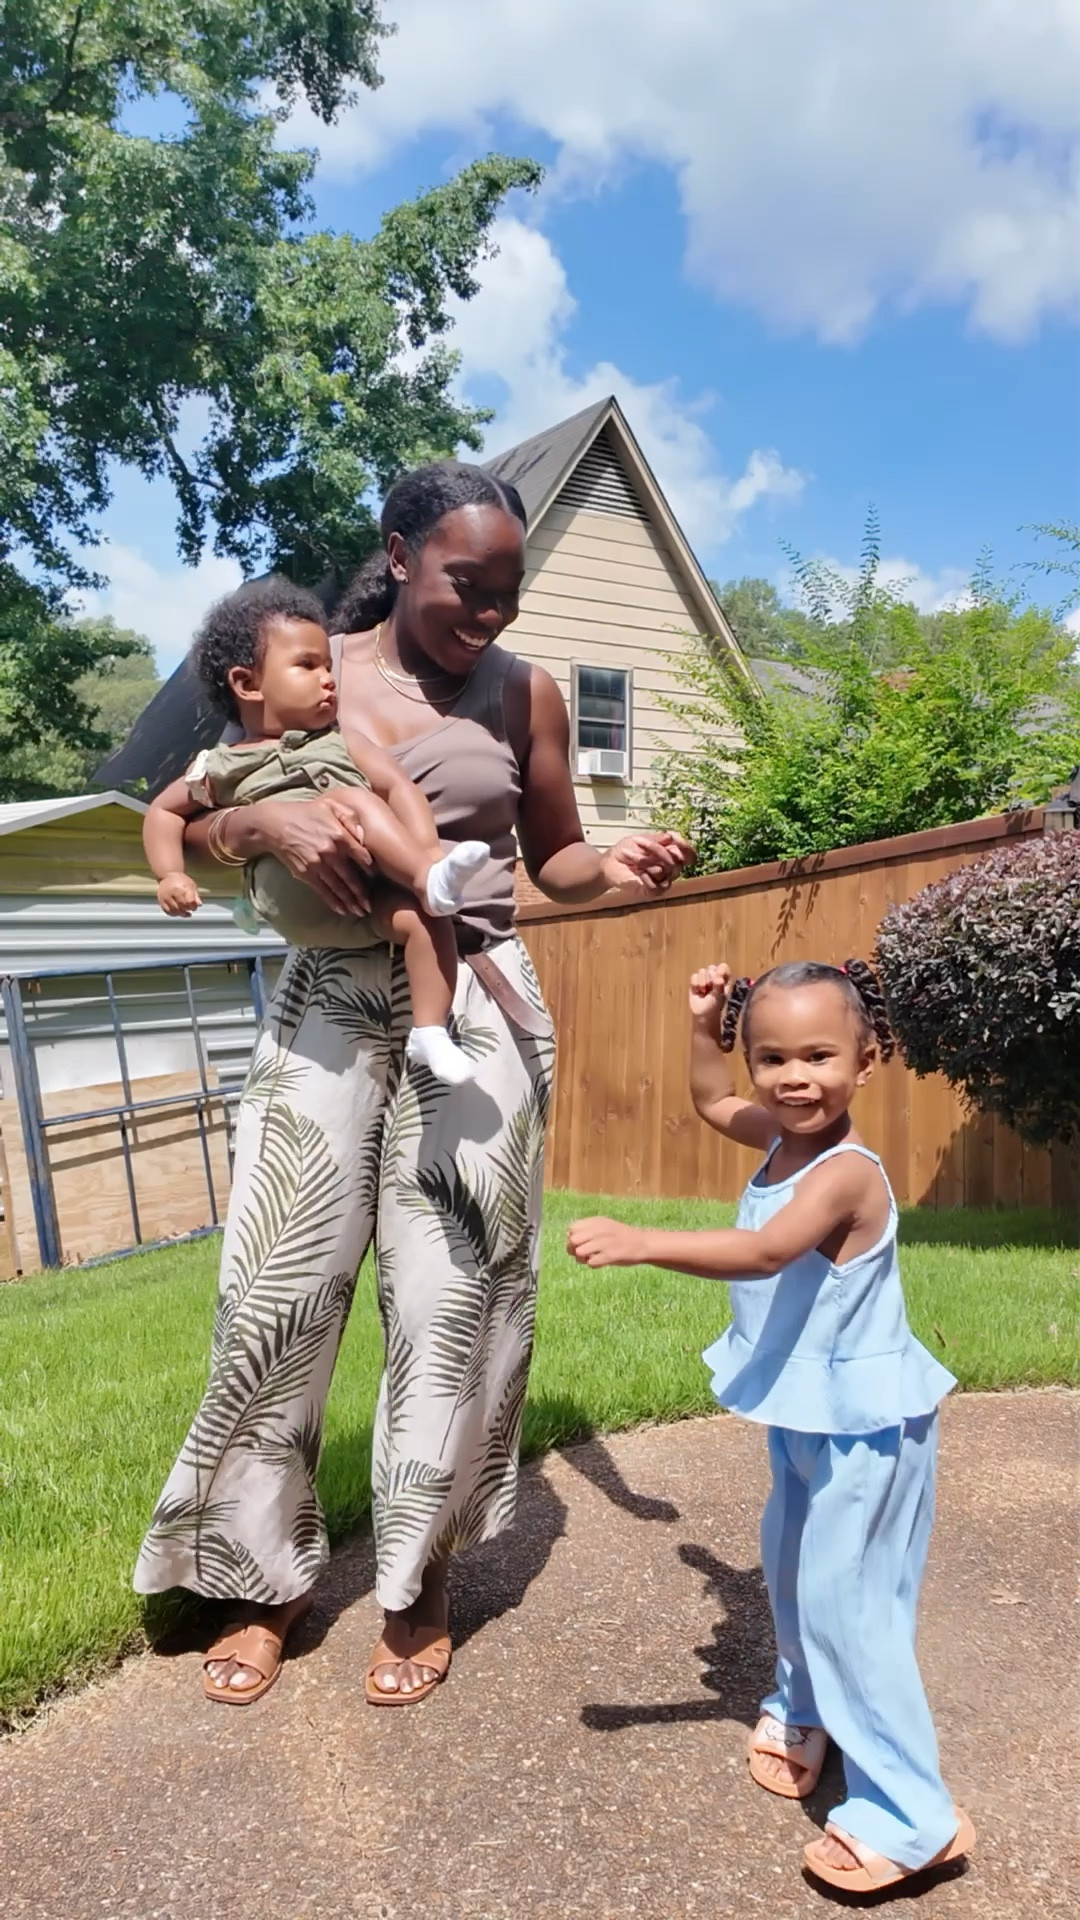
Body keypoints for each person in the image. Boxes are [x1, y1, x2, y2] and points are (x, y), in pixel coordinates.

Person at [134, 461, 693, 1709]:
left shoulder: (528, 691)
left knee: (450, 1298)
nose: (490, 612)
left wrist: (623, 863)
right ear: (399, 557)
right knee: (275, 1285)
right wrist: (253, 834)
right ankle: (259, 1575)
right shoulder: (303, 662)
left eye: (509, 588)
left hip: (477, 988)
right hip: (329, 997)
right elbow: (200, 808)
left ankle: (416, 1576)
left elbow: (554, 859)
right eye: (465, 585)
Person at [567, 959, 975, 1897]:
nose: (794, 1077)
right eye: (772, 1057)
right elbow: (712, 1098)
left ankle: (913, 1817)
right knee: (788, 1566)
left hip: (865, 1429)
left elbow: (762, 1251)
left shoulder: (844, 1176)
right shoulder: (778, 1135)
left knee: (850, 1605)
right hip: (806, 1413)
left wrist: (641, 1241)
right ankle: (807, 1705)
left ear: (868, 1060)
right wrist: (703, 1022)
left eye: (820, 1056)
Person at [144, 577, 489, 1084]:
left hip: (368, 905)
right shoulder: (220, 764)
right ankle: (429, 879)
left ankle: (431, 1031)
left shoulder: (342, 740)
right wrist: (169, 874)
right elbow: (163, 812)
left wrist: (426, 849)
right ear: (247, 684)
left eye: (328, 666)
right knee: (352, 798)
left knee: (426, 919)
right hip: (299, 912)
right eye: (307, 666)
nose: (328, 678)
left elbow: (398, 787)